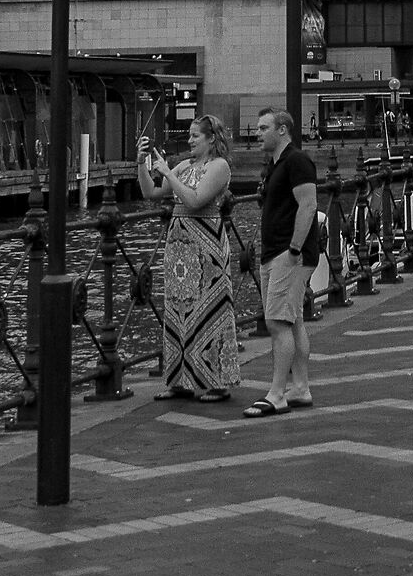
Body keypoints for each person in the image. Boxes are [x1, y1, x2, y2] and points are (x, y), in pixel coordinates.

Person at [135, 113, 240, 403]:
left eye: (195, 136)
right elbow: (152, 192)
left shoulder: (219, 166)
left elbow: (194, 200)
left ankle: (216, 382)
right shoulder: (185, 165)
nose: (190, 140)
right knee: (179, 310)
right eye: (190, 135)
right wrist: (142, 164)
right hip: (180, 249)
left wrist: (168, 173)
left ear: (211, 139)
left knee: (210, 310)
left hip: (206, 247)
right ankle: (179, 379)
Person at [245, 107, 317, 418]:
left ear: (283, 130)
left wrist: (294, 249)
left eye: (263, 128)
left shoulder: (296, 161)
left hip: (287, 254)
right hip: (278, 252)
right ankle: (299, 387)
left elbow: (309, 204)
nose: (258, 133)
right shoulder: (276, 164)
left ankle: (277, 394)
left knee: (277, 322)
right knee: (293, 320)